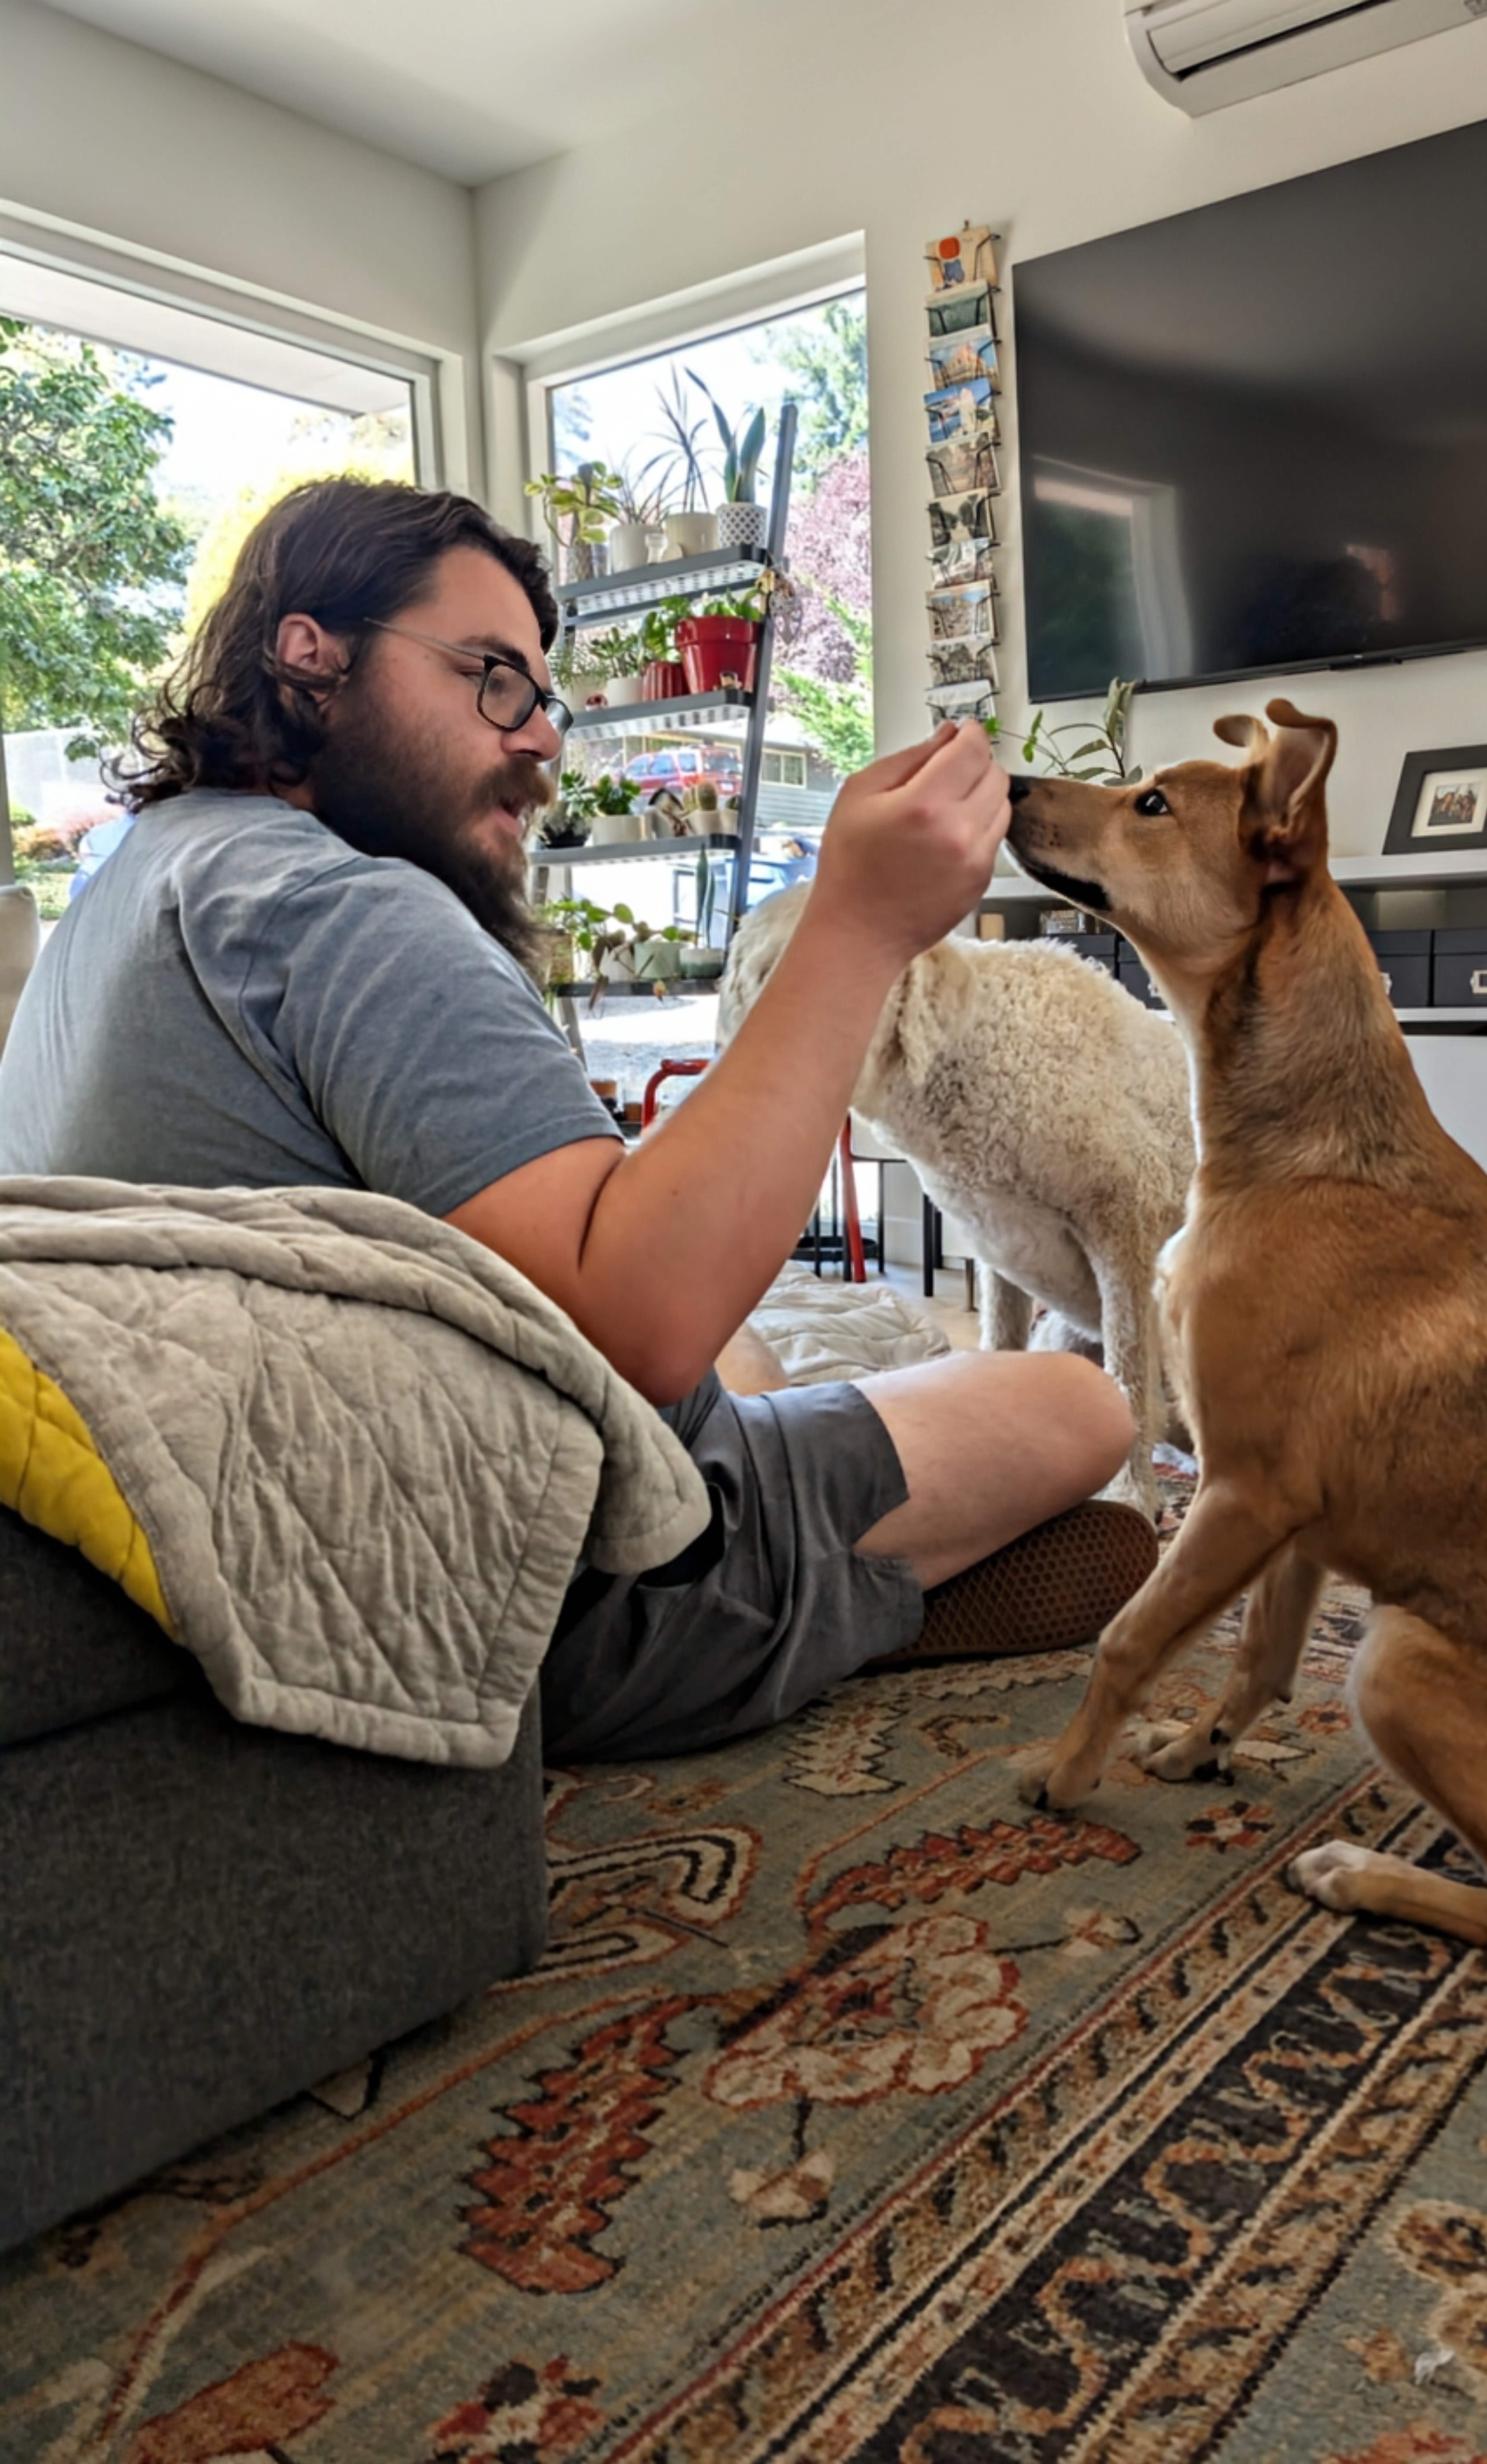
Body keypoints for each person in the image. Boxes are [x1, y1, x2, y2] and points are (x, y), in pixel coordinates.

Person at [0, 478, 1153, 1759]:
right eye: (492, 678)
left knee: (748, 1357)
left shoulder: (135, 883)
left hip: (233, 1521)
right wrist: (860, 924)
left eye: (544, 698)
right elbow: (642, 1327)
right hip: (533, 1585)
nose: (543, 739)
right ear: (311, 659)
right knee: (1076, 1401)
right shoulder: (344, 911)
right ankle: (839, 1598)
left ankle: (859, 1549)